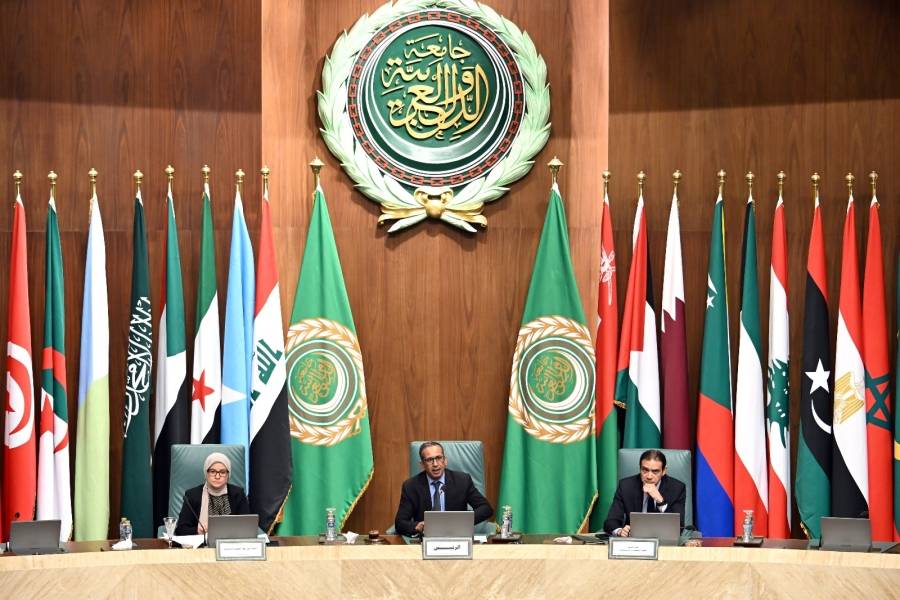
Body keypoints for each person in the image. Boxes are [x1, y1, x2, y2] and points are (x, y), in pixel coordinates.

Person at [394, 441, 494, 537]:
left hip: (457, 536)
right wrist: (418, 526)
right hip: (426, 539)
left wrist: (460, 521)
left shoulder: (462, 481)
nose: (435, 464)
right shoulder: (410, 486)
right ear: (422, 465)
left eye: (438, 458)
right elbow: (400, 523)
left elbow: (486, 509)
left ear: (445, 460)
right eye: (429, 460)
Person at [604, 449, 686, 536]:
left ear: (664, 471)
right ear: (640, 468)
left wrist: (660, 501)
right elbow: (611, 521)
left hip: (664, 539)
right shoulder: (626, 486)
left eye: (655, 471)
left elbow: (678, 527)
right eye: (645, 470)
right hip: (634, 539)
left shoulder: (677, 488)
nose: (649, 476)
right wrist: (620, 531)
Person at [174, 452, 251, 535]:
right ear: (206, 473)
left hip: (230, 541)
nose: (217, 476)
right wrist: (198, 530)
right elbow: (180, 529)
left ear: (228, 475)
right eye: (212, 471)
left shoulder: (238, 494)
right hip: (202, 542)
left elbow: (248, 526)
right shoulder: (192, 495)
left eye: (222, 472)